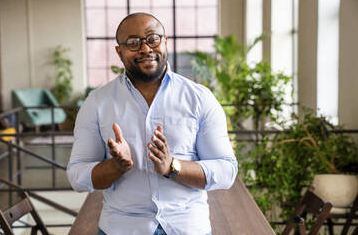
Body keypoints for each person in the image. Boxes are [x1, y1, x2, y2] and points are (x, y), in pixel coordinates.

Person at [66, 12, 238, 235]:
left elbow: (226, 171)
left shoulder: (199, 98)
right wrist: (115, 166)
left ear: (165, 42)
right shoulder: (97, 103)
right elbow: (77, 176)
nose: (145, 49)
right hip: (122, 228)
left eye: (152, 39)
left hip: (187, 227)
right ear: (119, 52)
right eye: (133, 43)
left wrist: (173, 167)